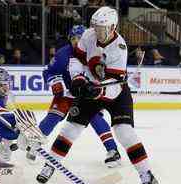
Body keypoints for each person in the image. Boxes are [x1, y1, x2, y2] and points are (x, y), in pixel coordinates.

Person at [37, 7, 161, 184]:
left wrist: (93, 90)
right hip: (91, 88)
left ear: (112, 27)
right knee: (70, 128)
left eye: (102, 28)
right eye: (95, 26)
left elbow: (113, 86)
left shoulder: (119, 47)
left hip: (116, 93)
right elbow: (76, 59)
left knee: (124, 132)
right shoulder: (88, 35)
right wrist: (78, 78)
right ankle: (50, 164)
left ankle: (146, 175)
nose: (97, 31)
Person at [33, 25, 121, 171]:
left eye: (79, 38)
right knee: (53, 117)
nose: (75, 41)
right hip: (67, 93)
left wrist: (102, 80)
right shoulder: (63, 54)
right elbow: (48, 71)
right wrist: (55, 82)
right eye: (73, 38)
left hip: (87, 94)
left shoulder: (96, 52)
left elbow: (106, 73)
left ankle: (113, 150)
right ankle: (34, 143)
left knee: (96, 119)